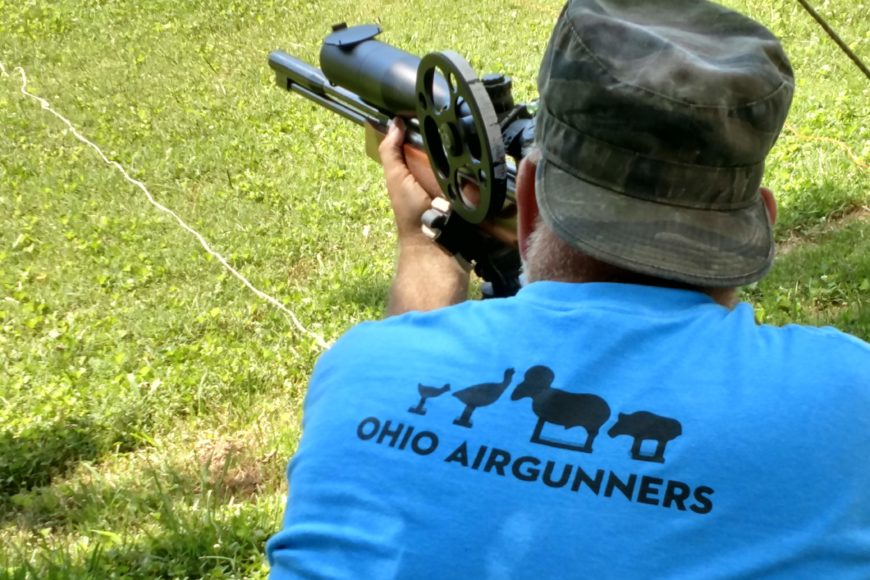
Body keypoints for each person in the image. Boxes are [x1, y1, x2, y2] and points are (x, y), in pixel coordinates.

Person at [267, 0, 870, 577]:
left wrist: (423, 242)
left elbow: (411, 406)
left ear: (528, 199)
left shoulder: (361, 366)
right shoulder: (850, 396)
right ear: (759, 220)